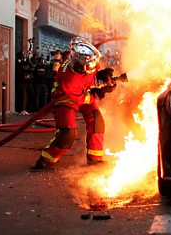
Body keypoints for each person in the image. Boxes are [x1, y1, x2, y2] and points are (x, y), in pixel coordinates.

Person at [32, 37, 116, 170]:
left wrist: (102, 76)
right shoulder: (69, 81)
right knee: (68, 133)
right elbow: (82, 99)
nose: (94, 66)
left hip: (81, 90)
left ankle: (95, 158)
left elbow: (90, 77)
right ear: (79, 66)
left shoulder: (87, 60)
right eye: (91, 66)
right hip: (64, 97)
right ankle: (46, 159)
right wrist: (99, 93)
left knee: (96, 120)